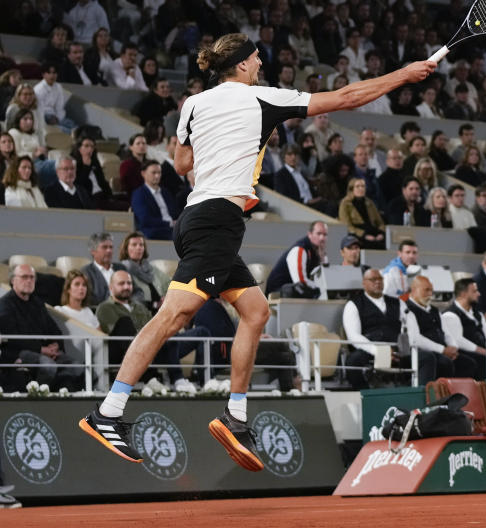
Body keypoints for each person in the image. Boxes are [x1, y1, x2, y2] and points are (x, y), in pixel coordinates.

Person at [80, 31, 434, 469]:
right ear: (245, 65)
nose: (261, 65)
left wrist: (224, 148)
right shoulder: (263, 99)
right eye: (258, 60)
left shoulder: (193, 103)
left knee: (255, 311)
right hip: (215, 223)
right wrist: (405, 75)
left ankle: (236, 416)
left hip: (198, 218)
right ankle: (108, 413)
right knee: (173, 315)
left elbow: (182, 165)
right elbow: (346, 96)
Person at [95, 271, 204, 394]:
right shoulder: (105, 307)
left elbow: (153, 327)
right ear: (111, 287)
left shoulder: (139, 307)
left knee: (186, 331)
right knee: (125, 323)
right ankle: (152, 377)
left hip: (150, 348)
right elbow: (115, 334)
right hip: (122, 352)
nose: (126, 287)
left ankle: (187, 380)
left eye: (129, 283)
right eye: (121, 283)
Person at [0, 265, 84, 391]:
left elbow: (55, 330)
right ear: (13, 280)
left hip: (43, 352)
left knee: (77, 367)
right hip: (18, 353)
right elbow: (13, 338)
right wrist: (41, 349)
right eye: (24, 277)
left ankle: (60, 394)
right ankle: (38, 395)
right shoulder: (5, 304)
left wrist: (55, 345)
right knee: (48, 365)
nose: (29, 281)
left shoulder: (37, 303)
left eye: (32, 277)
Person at [404, 276, 476, 380]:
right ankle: (437, 393)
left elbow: (446, 333)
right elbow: (415, 339)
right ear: (414, 290)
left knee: (468, 363)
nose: (430, 294)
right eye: (426, 290)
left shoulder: (434, 310)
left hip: (442, 351)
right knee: (444, 362)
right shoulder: (407, 309)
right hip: (421, 351)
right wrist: (443, 350)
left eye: (431, 291)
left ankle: (458, 393)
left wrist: (453, 347)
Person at [441, 278, 486, 380]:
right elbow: (458, 340)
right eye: (474, 291)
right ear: (463, 294)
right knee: (481, 360)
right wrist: (483, 352)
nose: (478, 294)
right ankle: (484, 394)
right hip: (465, 352)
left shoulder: (478, 314)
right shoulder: (450, 314)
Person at [265, 221, 328, 296]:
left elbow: (324, 279)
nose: (322, 238)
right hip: (277, 292)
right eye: (319, 234)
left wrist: (322, 259)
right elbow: (300, 282)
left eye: (325, 235)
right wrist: (321, 289)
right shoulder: (300, 249)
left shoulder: (320, 253)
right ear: (310, 234)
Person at [119, 231, 171, 313]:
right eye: (134, 245)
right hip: (141, 312)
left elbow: (169, 284)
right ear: (126, 249)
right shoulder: (122, 269)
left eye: (141, 245)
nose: (139, 248)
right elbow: (129, 298)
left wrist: (166, 298)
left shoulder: (151, 268)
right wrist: (155, 304)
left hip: (162, 309)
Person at [130, 160, 181, 240]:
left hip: (173, 229)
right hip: (155, 231)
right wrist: (170, 223)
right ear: (143, 174)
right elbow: (145, 220)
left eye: (159, 172)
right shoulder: (139, 194)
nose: (157, 176)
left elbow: (175, 212)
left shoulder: (166, 192)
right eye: (153, 173)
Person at [339, 177, 386, 248]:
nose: (361, 189)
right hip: (356, 233)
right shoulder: (345, 203)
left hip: (372, 231)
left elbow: (380, 222)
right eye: (358, 186)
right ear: (351, 189)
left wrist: (381, 233)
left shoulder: (369, 202)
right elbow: (347, 225)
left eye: (363, 186)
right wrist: (364, 235)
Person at [82, 232, 126, 306]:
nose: (109, 251)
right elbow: (89, 300)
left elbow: (136, 291)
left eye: (111, 247)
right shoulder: (86, 272)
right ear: (93, 252)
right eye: (104, 247)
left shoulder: (121, 268)